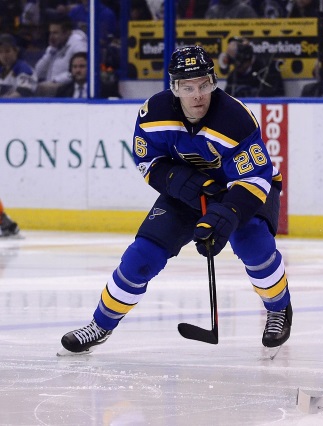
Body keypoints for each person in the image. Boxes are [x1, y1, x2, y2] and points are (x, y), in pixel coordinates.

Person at [57, 45, 293, 356]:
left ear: (213, 82)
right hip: (189, 192)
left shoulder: (235, 119)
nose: (198, 95)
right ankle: (100, 325)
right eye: (188, 87)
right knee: (142, 256)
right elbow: (148, 162)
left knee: (252, 244)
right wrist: (186, 184)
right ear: (174, 88)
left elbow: (253, 178)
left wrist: (224, 217)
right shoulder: (154, 114)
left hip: (245, 189)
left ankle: (278, 310)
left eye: (204, 85)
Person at [34, 15, 87, 96]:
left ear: (67, 33)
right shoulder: (53, 47)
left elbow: (79, 71)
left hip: (68, 91)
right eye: (50, 33)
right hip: (51, 90)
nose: (51, 37)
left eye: (55, 33)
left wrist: (55, 81)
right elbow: (38, 72)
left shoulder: (79, 45)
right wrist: (50, 53)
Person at [219, 37, 284, 97]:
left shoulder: (267, 71)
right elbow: (226, 101)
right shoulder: (233, 77)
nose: (237, 67)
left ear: (248, 59)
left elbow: (278, 96)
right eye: (234, 64)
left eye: (238, 64)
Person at [55, 51, 121, 98]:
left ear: (91, 68)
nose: (78, 70)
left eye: (82, 66)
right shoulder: (62, 91)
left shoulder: (105, 90)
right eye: (74, 67)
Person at [0, 33, 37, 98]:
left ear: (16, 51)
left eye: (7, 51)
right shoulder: (2, 70)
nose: (4, 55)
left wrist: (4, 101)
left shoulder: (24, 68)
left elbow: (24, 92)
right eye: (0, 52)